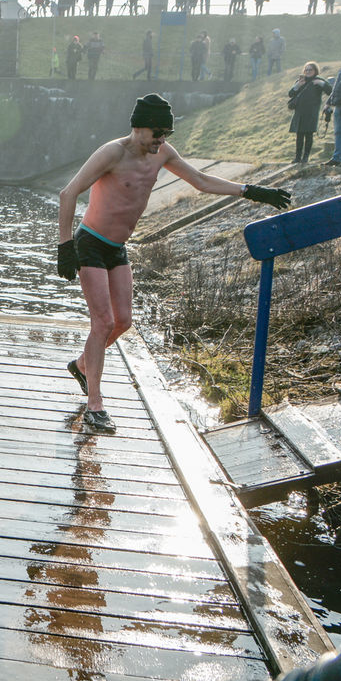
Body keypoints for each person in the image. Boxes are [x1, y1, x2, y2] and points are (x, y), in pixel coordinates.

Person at [56, 95, 292, 433]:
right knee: (103, 322)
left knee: (123, 321)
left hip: (117, 247)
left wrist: (251, 191)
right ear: (138, 127)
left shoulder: (163, 153)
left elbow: (202, 181)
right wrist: (65, 247)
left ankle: (82, 365)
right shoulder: (112, 153)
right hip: (90, 243)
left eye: (166, 133)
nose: (161, 141)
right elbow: (68, 193)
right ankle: (96, 404)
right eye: (157, 133)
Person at [287, 61, 332, 163]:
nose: (307, 72)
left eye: (310, 70)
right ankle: (297, 157)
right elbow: (290, 94)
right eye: (306, 70)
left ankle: (305, 157)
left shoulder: (318, 80)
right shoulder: (301, 80)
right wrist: (297, 85)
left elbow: (330, 91)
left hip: (311, 112)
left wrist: (322, 84)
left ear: (315, 71)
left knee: (308, 135)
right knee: (299, 135)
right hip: (300, 112)